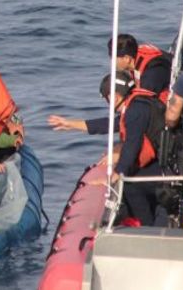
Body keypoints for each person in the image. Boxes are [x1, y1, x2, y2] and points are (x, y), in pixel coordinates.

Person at [49, 71, 166, 225]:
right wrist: (70, 124)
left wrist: (113, 177)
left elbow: (132, 145)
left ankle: (146, 227)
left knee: (129, 184)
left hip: (162, 168)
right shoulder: (136, 105)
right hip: (160, 162)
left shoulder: (135, 111)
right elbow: (108, 125)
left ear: (114, 97)